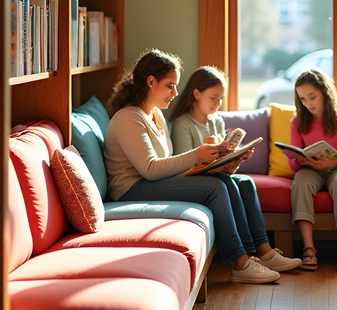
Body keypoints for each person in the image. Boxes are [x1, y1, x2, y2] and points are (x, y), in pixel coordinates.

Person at [103, 49, 294, 284]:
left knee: (229, 181)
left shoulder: (155, 115)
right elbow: (150, 169)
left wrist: (217, 165)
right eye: (170, 86)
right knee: (215, 188)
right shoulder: (129, 117)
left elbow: (167, 162)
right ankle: (240, 262)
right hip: (131, 189)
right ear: (151, 82)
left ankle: (259, 254)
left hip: (152, 182)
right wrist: (196, 155)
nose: (175, 93)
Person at [170, 65, 301, 272]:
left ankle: (266, 252)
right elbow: (183, 165)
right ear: (196, 94)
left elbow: (226, 169)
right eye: (213, 98)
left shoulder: (216, 121)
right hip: (192, 180)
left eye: (221, 98)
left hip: (215, 175)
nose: (218, 103)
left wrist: (235, 159)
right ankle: (246, 256)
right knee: (226, 184)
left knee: (246, 182)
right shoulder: (183, 124)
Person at [282, 68, 337, 271]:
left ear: (324, 92)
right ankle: (308, 249)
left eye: (312, 97)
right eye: (303, 99)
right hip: (311, 170)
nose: (308, 104)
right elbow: (293, 166)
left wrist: (332, 162)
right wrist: (299, 159)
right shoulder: (297, 121)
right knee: (300, 182)